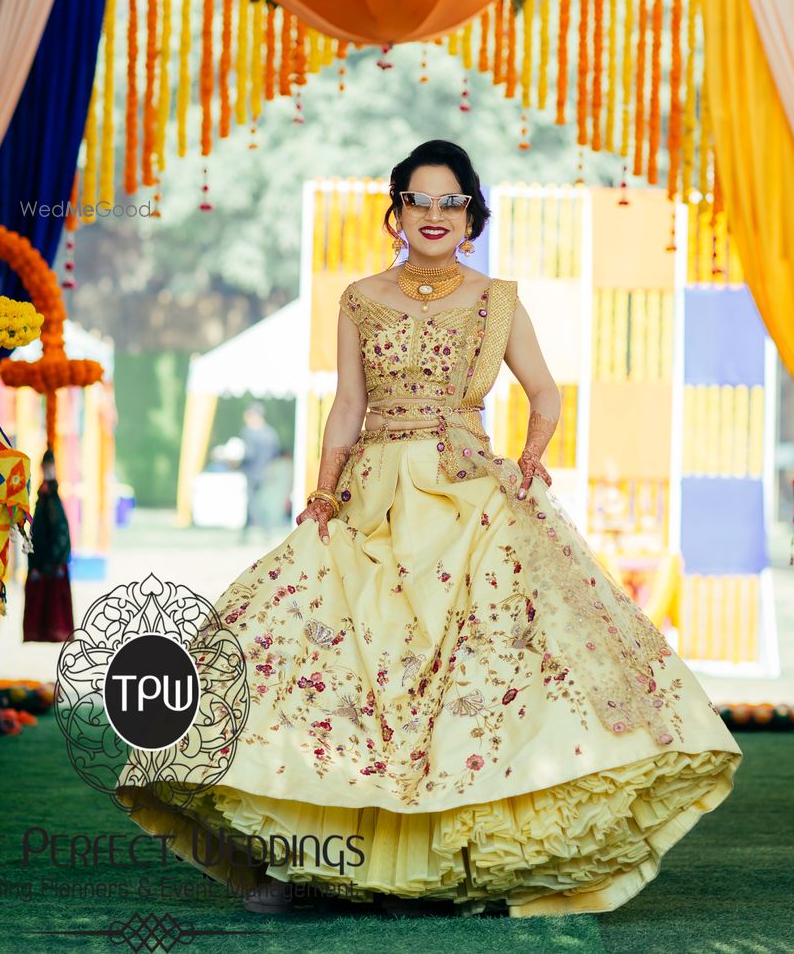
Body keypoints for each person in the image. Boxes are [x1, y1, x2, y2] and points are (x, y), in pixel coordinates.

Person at [120, 140, 741, 916]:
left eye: (452, 203)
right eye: (420, 200)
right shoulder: (359, 297)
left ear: (472, 217)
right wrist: (321, 492)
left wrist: (529, 462)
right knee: (332, 662)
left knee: (476, 682)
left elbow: (545, 393)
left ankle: (463, 863)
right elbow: (346, 405)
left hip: (468, 494)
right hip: (371, 493)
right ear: (397, 211)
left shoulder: (497, 300)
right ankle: (310, 860)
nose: (435, 215)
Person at [22, 449, 74, 644]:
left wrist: (52, 558)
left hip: (51, 560)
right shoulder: (42, 499)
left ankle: (54, 630)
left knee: (53, 603)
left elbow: (60, 532)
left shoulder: (52, 500)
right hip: (43, 557)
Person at [239, 404, 283, 532]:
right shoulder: (271, 433)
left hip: (253, 472)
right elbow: (276, 453)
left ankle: (263, 530)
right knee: (260, 502)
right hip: (267, 472)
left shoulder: (248, 432)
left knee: (253, 503)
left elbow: (248, 454)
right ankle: (250, 532)